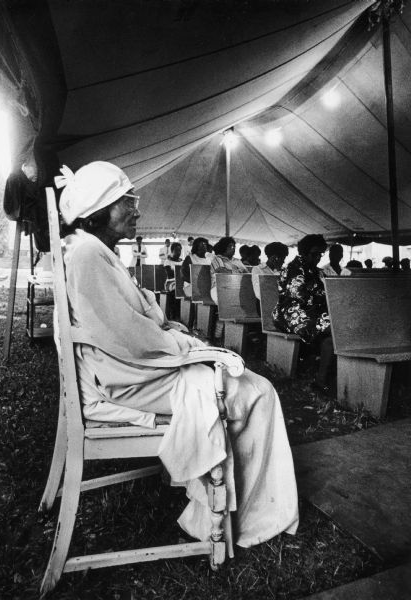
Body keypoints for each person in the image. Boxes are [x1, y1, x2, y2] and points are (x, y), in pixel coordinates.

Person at [55, 160, 298, 548]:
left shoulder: (91, 250)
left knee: (249, 385)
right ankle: (251, 514)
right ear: (99, 210)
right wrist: (187, 346)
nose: (137, 209)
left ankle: (240, 505)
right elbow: (127, 336)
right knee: (259, 392)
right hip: (130, 378)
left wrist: (179, 338)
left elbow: (131, 325)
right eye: (127, 201)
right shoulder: (87, 255)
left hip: (133, 367)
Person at [272, 234, 334, 391]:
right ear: (304, 252)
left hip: (309, 312)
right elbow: (298, 295)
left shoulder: (315, 270)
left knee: (334, 330)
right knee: (331, 328)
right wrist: (323, 295)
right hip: (290, 314)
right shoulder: (294, 268)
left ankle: (321, 380)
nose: (318, 258)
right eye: (315, 254)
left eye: (321, 254)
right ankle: (319, 373)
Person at [210, 237, 249, 304]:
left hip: (238, 288)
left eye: (234, 246)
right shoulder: (217, 259)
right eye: (231, 246)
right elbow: (223, 273)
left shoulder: (237, 260)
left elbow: (247, 274)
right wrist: (239, 271)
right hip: (219, 288)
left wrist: (235, 271)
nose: (233, 248)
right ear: (224, 247)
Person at [163, 242, 183, 319]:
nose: (178, 252)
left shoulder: (182, 261)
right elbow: (170, 274)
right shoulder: (167, 261)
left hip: (181, 282)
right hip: (170, 282)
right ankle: (173, 315)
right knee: (176, 289)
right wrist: (181, 273)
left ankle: (182, 314)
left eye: (180, 250)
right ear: (172, 251)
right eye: (176, 250)